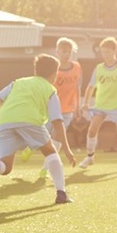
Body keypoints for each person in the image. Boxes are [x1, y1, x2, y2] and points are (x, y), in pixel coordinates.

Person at [0, 54, 76, 204]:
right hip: (29, 120)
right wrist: (67, 150)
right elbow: (57, 122)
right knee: (50, 152)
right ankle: (61, 194)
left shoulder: (18, 82)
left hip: (5, 121)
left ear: (36, 70)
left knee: (5, 166)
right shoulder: (50, 90)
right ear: (55, 73)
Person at [79, 37, 117, 172]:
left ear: (115, 50)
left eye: (107, 51)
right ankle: (89, 157)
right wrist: (86, 103)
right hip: (100, 105)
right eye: (103, 52)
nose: (105, 54)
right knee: (92, 130)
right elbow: (90, 86)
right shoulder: (99, 68)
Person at [36, 37, 83, 180]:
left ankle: (45, 169)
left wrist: (78, 106)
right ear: (57, 52)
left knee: (57, 140)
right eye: (63, 51)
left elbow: (77, 87)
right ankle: (28, 148)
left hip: (67, 110)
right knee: (44, 138)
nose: (66, 54)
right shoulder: (53, 69)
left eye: (69, 51)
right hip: (50, 108)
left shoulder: (77, 67)